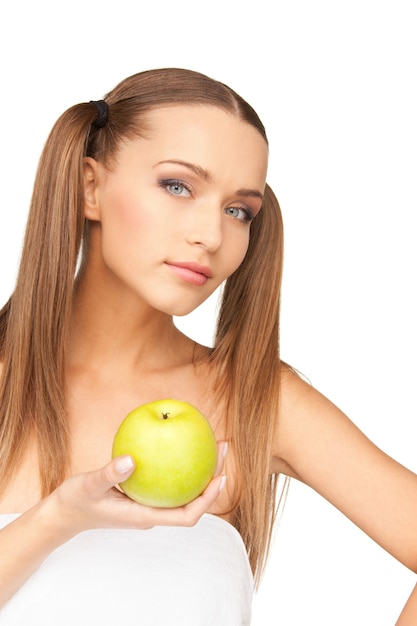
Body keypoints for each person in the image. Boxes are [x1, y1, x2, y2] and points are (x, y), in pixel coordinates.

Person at [0, 67, 415, 625]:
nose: (212, 236)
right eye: (178, 186)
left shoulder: (256, 400)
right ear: (90, 187)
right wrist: (57, 519)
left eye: (237, 209)